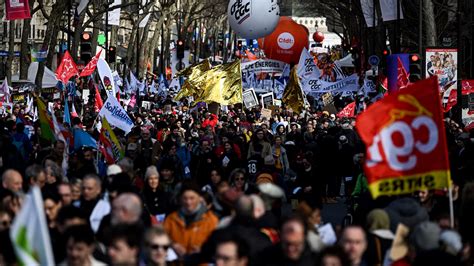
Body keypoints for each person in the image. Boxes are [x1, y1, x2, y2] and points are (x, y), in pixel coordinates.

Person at [163, 182, 218, 257]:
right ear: (180, 199)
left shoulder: (211, 219)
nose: (188, 202)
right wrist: (173, 245)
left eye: (192, 198)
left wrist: (204, 250)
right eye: (185, 198)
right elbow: (162, 238)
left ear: (199, 198)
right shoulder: (171, 219)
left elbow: (218, 244)